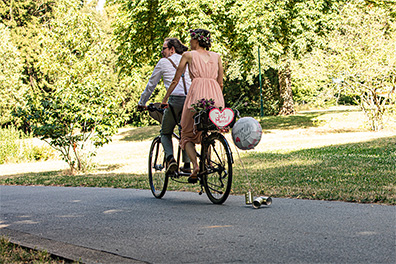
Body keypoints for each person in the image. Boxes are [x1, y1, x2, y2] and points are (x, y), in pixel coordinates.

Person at [162, 29, 225, 183]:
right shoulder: (217, 56)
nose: (189, 42)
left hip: (196, 97)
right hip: (215, 96)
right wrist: (217, 97)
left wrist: (165, 99)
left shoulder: (188, 55)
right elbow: (221, 82)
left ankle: (195, 166)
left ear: (196, 41)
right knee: (208, 130)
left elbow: (176, 80)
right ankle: (207, 161)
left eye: (191, 40)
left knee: (186, 134)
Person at [138, 38, 191, 175]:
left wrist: (142, 103)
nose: (162, 52)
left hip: (175, 101)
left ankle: (170, 159)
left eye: (164, 48)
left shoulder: (163, 62)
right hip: (191, 99)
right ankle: (187, 164)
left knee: (165, 132)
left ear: (172, 49)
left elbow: (151, 85)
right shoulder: (189, 59)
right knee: (184, 131)